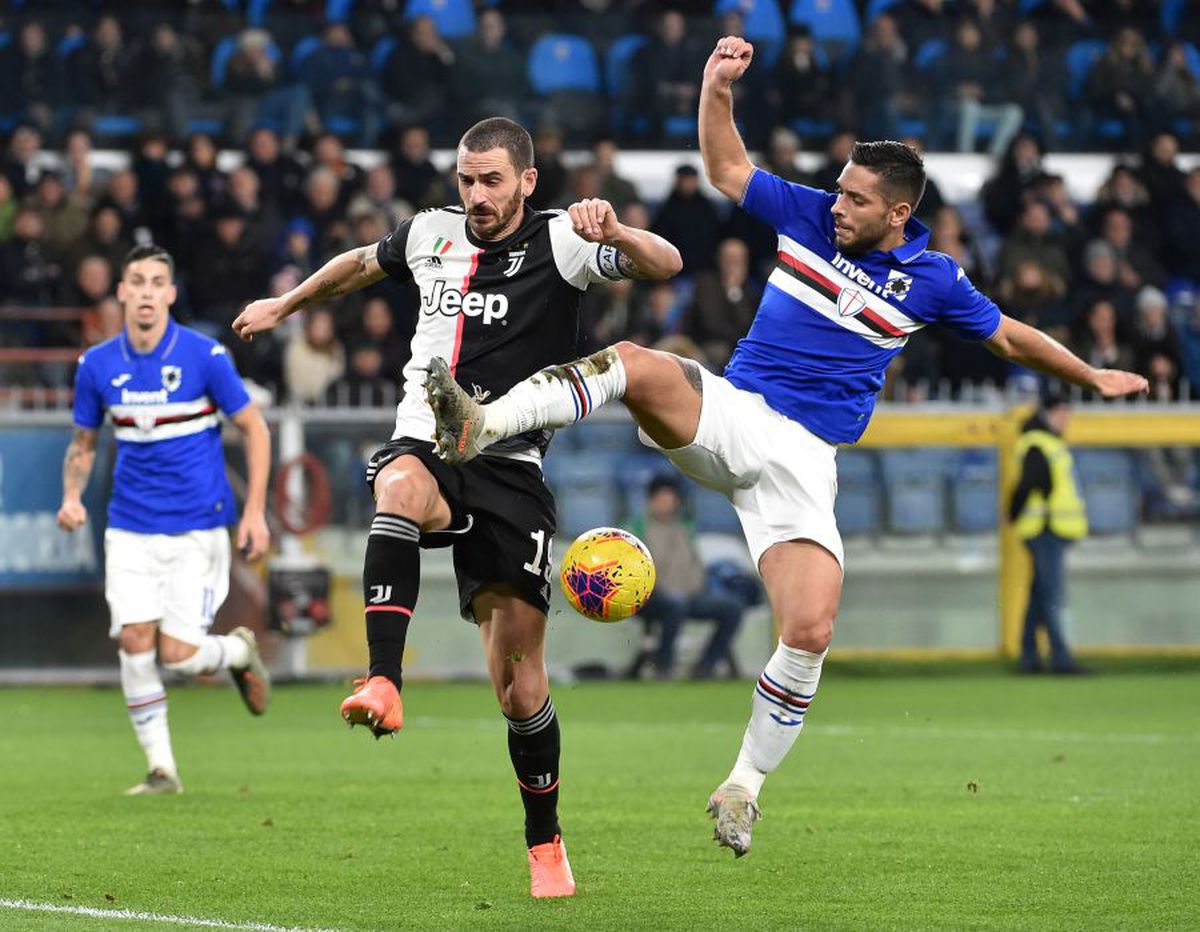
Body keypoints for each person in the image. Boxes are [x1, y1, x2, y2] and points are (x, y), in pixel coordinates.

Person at [423, 36, 1149, 859]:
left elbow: (1010, 337)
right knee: (634, 363)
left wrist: (1089, 374)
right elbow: (728, 167)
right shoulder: (807, 214)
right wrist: (716, 87)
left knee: (809, 628)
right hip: (736, 414)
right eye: (838, 190)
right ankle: (487, 423)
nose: (837, 205)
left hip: (804, 464)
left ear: (898, 214)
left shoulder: (935, 280)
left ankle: (742, 787)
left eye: (856, 199)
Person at [231, 117, 681, 898]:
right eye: (467, 180)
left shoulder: (563, 240)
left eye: (492, 181)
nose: (476, 195)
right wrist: (287, 303)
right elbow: (356, 266)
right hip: (431, 437)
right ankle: (383, 680)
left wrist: (615, 231)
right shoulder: (429, 233)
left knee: (520, 689)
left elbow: (665, 262)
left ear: (527, 181)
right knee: (399, 486)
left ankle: (545, 842)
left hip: (512, 466)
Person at [57, 244, 272, 797]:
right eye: (137, 281)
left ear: (171, 294)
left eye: (157, 282)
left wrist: (253, 512)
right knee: (134, 640)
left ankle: (237, 652)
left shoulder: (205, 356)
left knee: (179, 657)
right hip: (129, 527)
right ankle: (161, 769)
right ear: (122, 292)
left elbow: (255, 428)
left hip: (198, 527)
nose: (146, 292)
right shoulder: (96, 365)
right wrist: (72, 496)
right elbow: (83, 443)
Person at [625, 474, 746, 680]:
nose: (668, 503)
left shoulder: (685, 526)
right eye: (663, 497)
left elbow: (694, 562)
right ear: (651, 500)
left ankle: (706, 666)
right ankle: (664, 666)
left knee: (732, 607)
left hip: (692, 595)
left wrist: (699, 584)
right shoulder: (635, 527)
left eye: (671, 497)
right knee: (675, 604)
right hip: (651, 598)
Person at [1008, 394, 1090, 675]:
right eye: (1061, 412)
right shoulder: (1039, 443)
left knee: (1040, 596)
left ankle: (1029, 656)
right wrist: (1014, 512)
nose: (1066, 419)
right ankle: (1061, 657)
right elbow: (1029, 485)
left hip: (1048, 529)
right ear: (1047, 414)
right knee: (1053, 596)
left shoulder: (1044, 442)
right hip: (1046, 529)